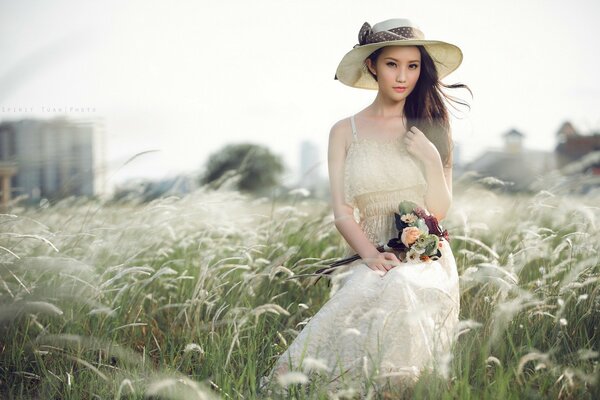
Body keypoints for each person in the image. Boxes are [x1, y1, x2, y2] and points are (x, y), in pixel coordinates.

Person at [261, 18, 471, 395]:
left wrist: (430, 161)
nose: (402, 76)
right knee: (361, 293)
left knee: (403, 285)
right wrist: (370, 256)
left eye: (412, 65)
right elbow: (341, 211)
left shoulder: (433, 127)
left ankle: (397, 388)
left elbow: (439, 211)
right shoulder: (344, 131)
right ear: (372, 65)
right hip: (367, 252)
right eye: (392, 64)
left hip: (425, 258)